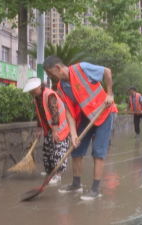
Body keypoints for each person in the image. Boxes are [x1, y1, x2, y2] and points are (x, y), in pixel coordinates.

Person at [43, 56, 114, 200]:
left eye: (51, 74)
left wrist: (110, 94)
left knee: (98, 152)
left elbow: (107, 71)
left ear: (58, 68)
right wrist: (73, 134)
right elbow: (69, 110)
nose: (51, 77)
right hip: (86, 117)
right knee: (76, 149)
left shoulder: (82, 69)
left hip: (104, 113)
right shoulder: (61, 88)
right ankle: (76, 185)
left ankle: (95, 189)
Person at [23, 78, 70, 184]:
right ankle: (50, 172)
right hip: (49, 129)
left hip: (59, 128)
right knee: (47, 151)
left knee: (57, 151)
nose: (31, 92)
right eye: (30, 90)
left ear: (40, 86)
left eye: (33, 89)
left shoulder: (49, 95)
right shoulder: (36, 99)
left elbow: (55, 113)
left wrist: (54, 131)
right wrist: (39, 129)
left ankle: (57, 175)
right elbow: (40, 115)